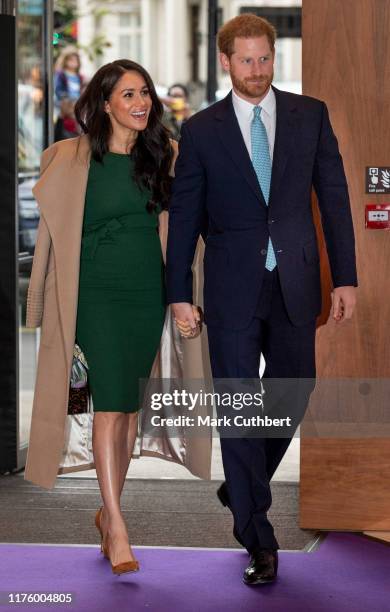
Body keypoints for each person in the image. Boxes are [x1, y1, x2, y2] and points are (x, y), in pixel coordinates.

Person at [166, 14, 357, 586]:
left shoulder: (310, 115)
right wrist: (179, 294)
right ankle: (259, 535)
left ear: (275, 57)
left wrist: (344, 277)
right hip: (230, 288)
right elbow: (185, 220)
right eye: (245, 60)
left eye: (264, 59)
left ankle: (241, 486)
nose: (257, 71)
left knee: (293, 392)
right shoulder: (201, 130)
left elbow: (336, 199)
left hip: (296, 282)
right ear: (226, 62)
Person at [24, 59, 202, 576]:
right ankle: (120, 525)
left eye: (144, 92)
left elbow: (186, 231)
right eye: (128, 94)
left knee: (127, 410)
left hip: (146, 292)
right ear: (104, 103)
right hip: (93, 295)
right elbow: (48, 244)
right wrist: (39, 304)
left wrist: (185, 295)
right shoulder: (71, 158)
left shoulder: (165, 155)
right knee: (108, 407)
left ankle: (106, 514)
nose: (141, 102)